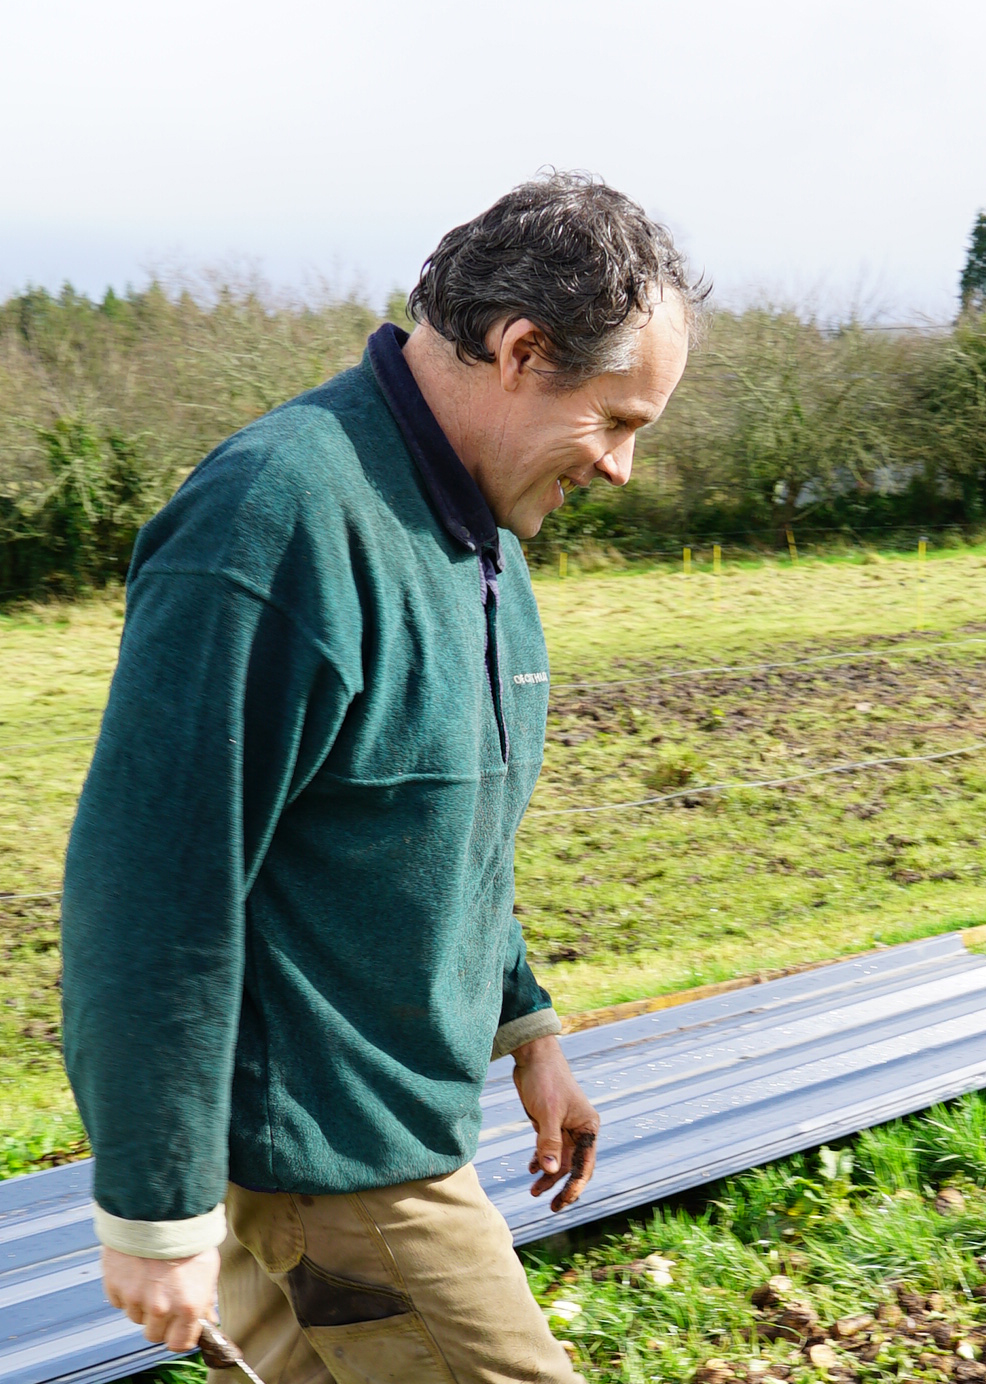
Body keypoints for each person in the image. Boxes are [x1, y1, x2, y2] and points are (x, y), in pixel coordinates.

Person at [60, 172, 702, 1384]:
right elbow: (151, 886)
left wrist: (525, 1026)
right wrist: (155, 1206)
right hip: (339, 1162)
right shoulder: (279, 519)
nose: (619, 467)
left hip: (395, 1126)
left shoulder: (470, 532)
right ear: (522, 351)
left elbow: (430, 821)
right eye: (618, 421)